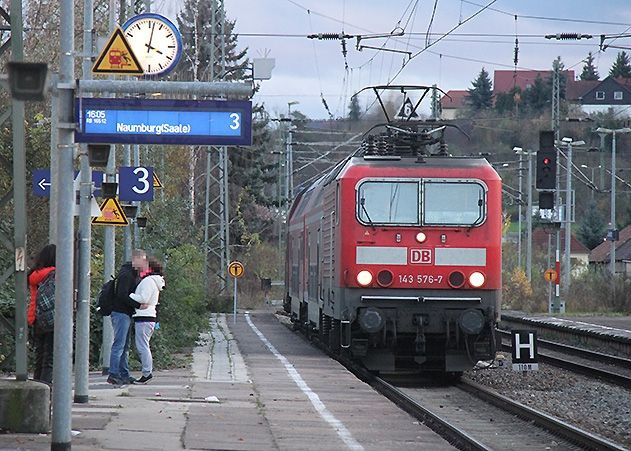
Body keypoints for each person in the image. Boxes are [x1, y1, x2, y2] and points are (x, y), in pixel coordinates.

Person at [108, 249, 148, 385]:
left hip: (125, 312)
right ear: (135, 259)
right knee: (119, 345)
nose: (143, 263)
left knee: (124, 346)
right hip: (120, 312)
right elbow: (122, 294)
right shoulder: (127, 274)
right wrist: (137, 304)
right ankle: (113, 374)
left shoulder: (133, 273)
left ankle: (123, 374)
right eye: (142, 260)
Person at [131, 257, 165, 384]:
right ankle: (147, 371)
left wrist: (129, 295)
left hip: (143, 316)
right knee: (144, 345)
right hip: (148, 316)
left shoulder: (148, 281)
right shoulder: (154, 281)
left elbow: (143, 298)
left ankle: (147, 372)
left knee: (142, 346)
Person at [27, 244, 56, 384]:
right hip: (51, 317)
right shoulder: (54, 274)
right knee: (49, 356)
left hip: (36, 317)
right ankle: (46, 387)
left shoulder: (34, 274)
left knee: (40, 355)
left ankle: (37, 385)